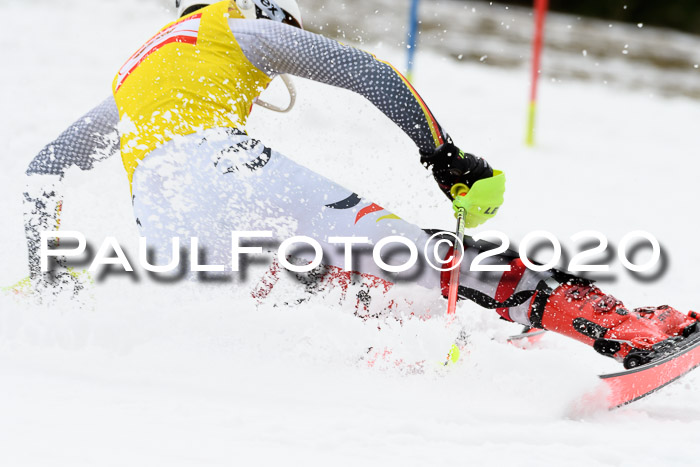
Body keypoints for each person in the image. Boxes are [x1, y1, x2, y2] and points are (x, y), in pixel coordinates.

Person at [32, 0, 700, 369]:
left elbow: (45, 168)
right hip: (223, 167)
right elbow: (362, 69)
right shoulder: (232, 26)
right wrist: (443, 154)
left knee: (327, 282)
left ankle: (440, 344)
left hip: (167, 227)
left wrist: (48, 270)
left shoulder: (130, 73)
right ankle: (626, 328)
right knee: (431, 255)